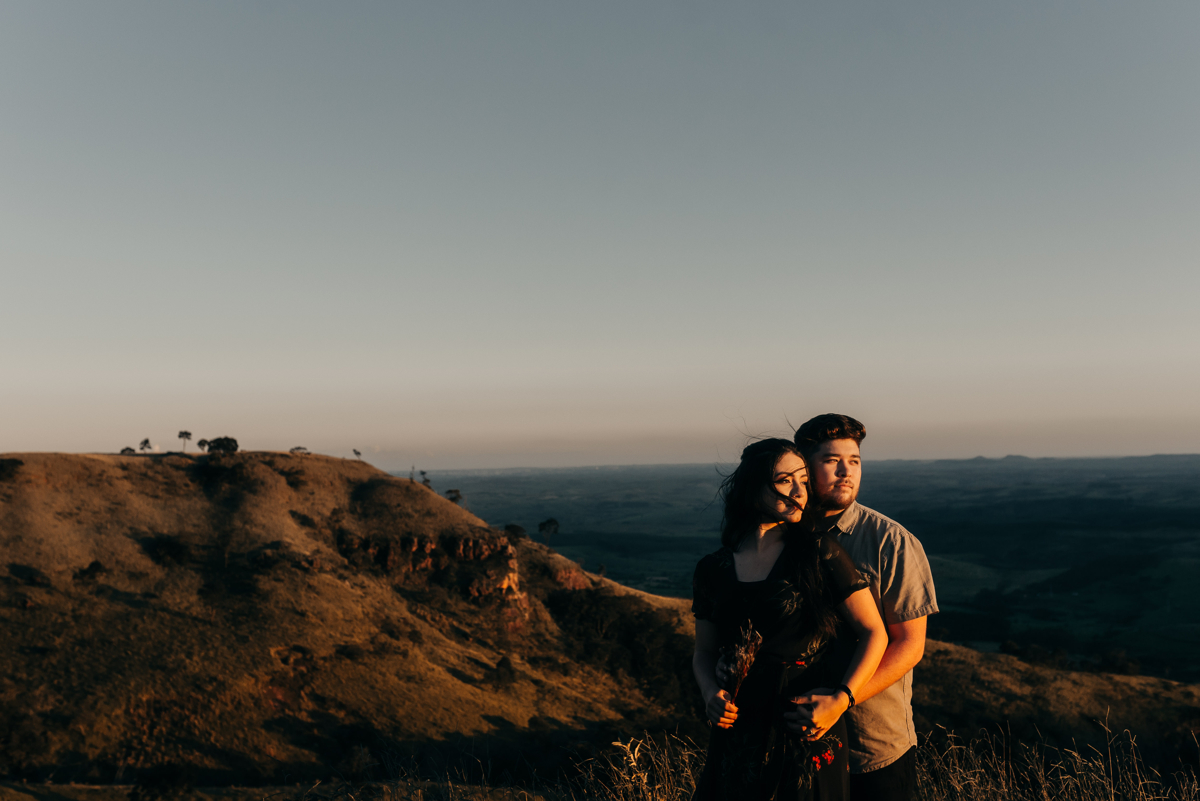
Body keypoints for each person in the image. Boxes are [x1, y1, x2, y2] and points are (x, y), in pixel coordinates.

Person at [692, 438, 888, 801]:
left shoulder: (818, 552)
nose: (800, 490)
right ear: (753, 488)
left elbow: (874, 632)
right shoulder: (712, 569)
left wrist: (842, 699)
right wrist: (709, 693)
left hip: (804, 725)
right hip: (739, 730)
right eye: (785, 481)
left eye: (803, 479)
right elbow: (703, 650)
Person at [789, 414, 938, 801]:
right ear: (803, 467)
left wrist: (842, 700)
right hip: (793, 742)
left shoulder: (891, 543)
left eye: (854, 460)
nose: (846, 471)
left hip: (871, 748)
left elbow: (909, 645)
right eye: (831, 460)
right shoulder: (780, 537)